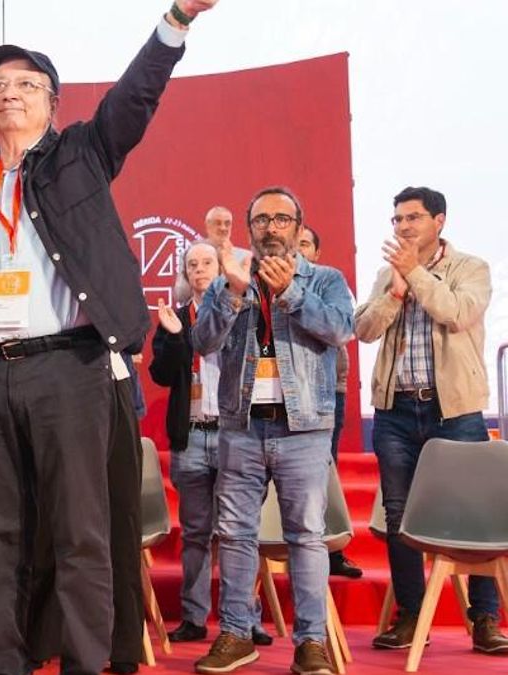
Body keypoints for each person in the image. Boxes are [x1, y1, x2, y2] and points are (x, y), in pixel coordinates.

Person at [0, 3, 218, 673]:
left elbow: (135, 98)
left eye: (26, 85)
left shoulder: (80, 154)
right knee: (1, 532)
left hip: (69, 364)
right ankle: (2, 660)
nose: (9, 94)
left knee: (81, 531)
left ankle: (87, 663)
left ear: (53, 104)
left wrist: (177, 18)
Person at [190, 186, 352, 674]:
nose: (272, 228)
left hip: (302, 429)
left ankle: (310, 642)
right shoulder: (232, 279)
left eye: (283, 220)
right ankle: (237, 634)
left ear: (300, 229)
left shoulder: (325, 279)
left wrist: (290, 293)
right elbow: (202, 341)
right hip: (241, 427)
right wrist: (235, 292)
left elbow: (340, 330)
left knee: (305, 536)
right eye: (262, 220)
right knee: (235, 533)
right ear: (250, 230)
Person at [355, 186, 508, 654]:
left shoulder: (471, 268)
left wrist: (415, 276)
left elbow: (456, 313)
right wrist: (393, 295)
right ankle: (410, 613)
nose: (402, 227)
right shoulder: (389, 274)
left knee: (474, 514)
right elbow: (363, 329)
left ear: (439, 221)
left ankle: (484, 619)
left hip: (454, 410)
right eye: (397, 219)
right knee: (401, 516)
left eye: (413, 218)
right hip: (397, 410)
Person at [150, 241, 272, 648]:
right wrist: (175, 337)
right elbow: (163, 374)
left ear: (221, 268)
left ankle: (247, 619)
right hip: (191, 436)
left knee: (239, 531)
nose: (199, 269)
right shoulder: (176, 317)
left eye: (207, 262)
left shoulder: (241, 309)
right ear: (184, 274)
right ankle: (194, 617)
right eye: (192, 265)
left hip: (235, 433)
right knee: (197, 532)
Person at [296, 224, 362, 580]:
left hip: (324, 393)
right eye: (296, 243)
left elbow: (342, 329)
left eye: (306, 244)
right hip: (279, 398)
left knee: (325, 474)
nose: (300, 249)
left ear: (316, 253)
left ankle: (332, 551)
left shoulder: (330, 283)